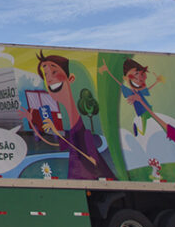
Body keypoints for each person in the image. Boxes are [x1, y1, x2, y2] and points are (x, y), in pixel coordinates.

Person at [32, 51, 116, 181]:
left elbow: (92, 161)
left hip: (89, 179)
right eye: (46, 75)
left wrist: (57, 133)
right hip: (76, 177)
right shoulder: (71, 125)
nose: (49, 79)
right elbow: (56, 145)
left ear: (70, 78)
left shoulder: (82, 127)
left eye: (54, 72)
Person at [99, 58, 163, 136]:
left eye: (141, 74)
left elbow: (147, 89)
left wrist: (156, 82)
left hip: (148, 108)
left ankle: (141, 130)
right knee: (144, 130)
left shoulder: (139, 91)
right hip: (141, 112)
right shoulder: (130, 91)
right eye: (136, 74)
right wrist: (108, 71)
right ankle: (138, 129)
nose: (139, 78)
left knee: (156, 123)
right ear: (125, 78)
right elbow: (118, 82)